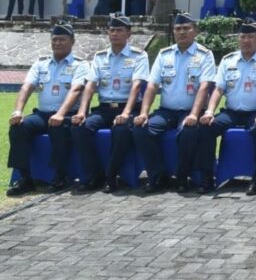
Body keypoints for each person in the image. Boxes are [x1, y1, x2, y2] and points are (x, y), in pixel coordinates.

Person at [133, 12, 216, 193]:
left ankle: (182, 176)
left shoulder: (205, 55)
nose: (182, 32)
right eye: (178, 29)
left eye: (186, 28)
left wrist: (194, 114)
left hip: (191, 111)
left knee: (189, 132)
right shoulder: (164, 55)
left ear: (195, 31)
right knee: (141, 129)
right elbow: (152, 86)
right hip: (166, 111)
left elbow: (204, 87)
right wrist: (144, 113)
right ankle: (157, 175)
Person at [199, 20, 256, 196]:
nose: (246, 40)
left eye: (251, 37)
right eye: (242, 37)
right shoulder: (228, 61)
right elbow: (218, 89)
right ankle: (207, 176)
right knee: (205, 127)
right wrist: (210, 112)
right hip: (231, 112)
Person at [71, 15, 149, 193]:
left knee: (121, 130)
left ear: (128, 33)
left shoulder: (139, 56)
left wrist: (126, 113)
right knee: (79, 127)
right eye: (112, 30)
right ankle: (94, 175)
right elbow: (90, 86)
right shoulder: (100, 57)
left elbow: (137, 87)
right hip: (105, 108)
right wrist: (82, 111)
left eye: (119, 30)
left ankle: (111, 176)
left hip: (128, 108)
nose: (114, 33)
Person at [6, 22, 86, 195]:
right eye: (54, 39)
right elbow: (27, 87)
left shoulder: (80, 65)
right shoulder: (41, 64)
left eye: (62, 39)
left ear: (72, 41)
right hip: (42, 114)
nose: (57, 43)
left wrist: (60, 114)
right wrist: (18, 111)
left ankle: (59, 176)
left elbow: (76, 90)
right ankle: (25, 178)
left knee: (58, 128)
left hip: (67, 114)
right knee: (19, 127)